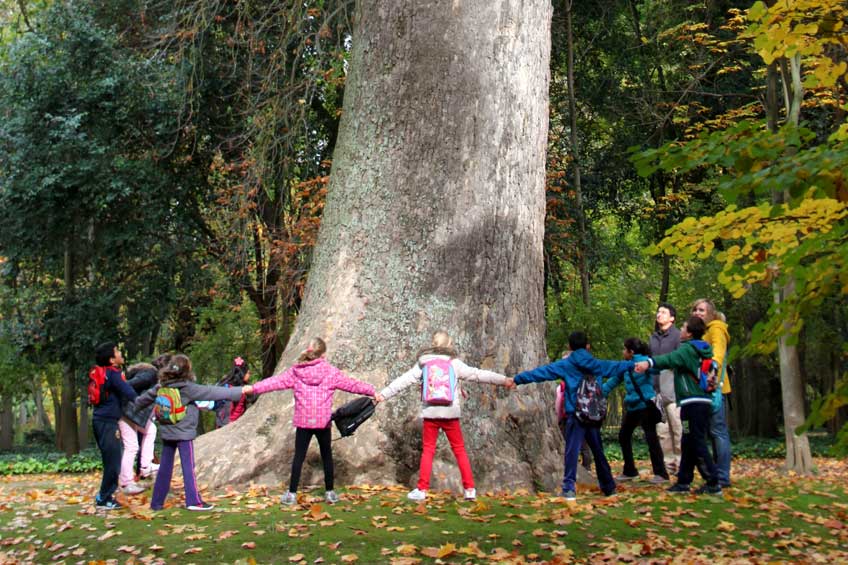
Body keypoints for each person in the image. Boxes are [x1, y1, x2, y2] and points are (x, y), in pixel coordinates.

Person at [375, 330, 514, 502]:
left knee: (428, 450)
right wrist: (504, 380)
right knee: (459, 450)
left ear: (432, 344)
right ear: (449, 345)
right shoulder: (454, 363)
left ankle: (422, 489)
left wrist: (383, 394)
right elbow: (478, 374)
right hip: (450, 412)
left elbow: (405, 380)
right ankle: (469, 489)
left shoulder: (424, 363)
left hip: (431, 412)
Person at [245, 337, 375, 505]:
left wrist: (254, 388)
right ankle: (330, 493)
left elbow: (274, 382)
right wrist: (372, 391)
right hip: (322, 422)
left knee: (299, 457)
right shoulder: (330, 372)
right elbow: (352, 384)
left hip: (304, 422)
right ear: (323, 355)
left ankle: (291, 494)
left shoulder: (296, 372)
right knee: (326, 456)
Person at [509, 331, 635, 502]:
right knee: (598, 450)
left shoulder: (566, 365)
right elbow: (615, 367)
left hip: (575, 413)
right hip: (593, 413)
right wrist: (641, 363)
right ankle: (609, 486)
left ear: (570, 347)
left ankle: (569, 488)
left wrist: (518, 379)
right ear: (587, 346)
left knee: (572, 451)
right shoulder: (596, 364)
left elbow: (542, 372)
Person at [131, 354, 245, 511]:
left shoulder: (161, 386)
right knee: (188, 467)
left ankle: (156, 503)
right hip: (184, 434)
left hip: (167, 432)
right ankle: (194, 501)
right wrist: (241, 391)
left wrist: (125, 411)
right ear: (186, 371)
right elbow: (213, 392)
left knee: (165, 468)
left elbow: (142, 400)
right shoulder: (188, 388)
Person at [635, 317, 722, 495]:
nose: (680, 330)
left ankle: (713, 482)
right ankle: (683, 481)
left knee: (696, 441)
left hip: (692, 402)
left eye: (683, 327)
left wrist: (648, 363)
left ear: (689, 332)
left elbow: (669, 359)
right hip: (702, 400)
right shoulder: (703, 349)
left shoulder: (687, 350)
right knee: (688, 441)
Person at [602, 338, 669, 484]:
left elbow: (657, 367)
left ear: (631, 352)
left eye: (624, 349)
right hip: (632, 406)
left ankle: (661, 473)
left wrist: (649, 364)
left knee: (651, 438)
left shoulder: (645, 362)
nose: (622, 352)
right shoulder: (625, 366)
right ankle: (630, 470)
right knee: (624, 435)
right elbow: (614, 380)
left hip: (645, 406)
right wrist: (601, 392)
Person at [91, 342, 138, 510]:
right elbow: (129, 393)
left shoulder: (104, 374)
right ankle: (104, 498)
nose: (120, 353)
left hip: (101, 421)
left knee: (111, 459)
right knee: (113, 461)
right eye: (117, 351)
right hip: (107, 423)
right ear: (112, 360)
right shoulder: (113, 374)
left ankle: (105, 496)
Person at [691, 298, 732, 488]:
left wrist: (713, 370)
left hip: (715, 388)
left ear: (711, 313)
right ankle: (715, 474)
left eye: (701, 310)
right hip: (703, 389)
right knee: (709, 433)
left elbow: (719, 352)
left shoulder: (716, 329)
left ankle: (722, 476)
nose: (698, 313)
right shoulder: (698, 334)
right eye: (695, 310)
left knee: (718, 432)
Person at [118, 357, 165, 495]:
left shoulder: (148, 372)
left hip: (131, 413)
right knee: (131, 446)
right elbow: (128, 385)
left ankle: (145, 466)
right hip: (128, 413)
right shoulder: (151, 373)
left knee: (151, 430)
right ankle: (126, 482)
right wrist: (135, 401)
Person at [650, 303, 683, 474]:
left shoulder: (678, 336)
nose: (659, 314)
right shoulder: (653, 338)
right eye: (658, 311)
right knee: (662, 430)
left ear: (672, 318)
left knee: (676, 427)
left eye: (663, 312)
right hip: (657, 390)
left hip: (674, 389)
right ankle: (668, 465)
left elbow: (680, 361)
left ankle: (681, 462)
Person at [214, 356, 255, 427]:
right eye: (248, 373)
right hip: (231, 423)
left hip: (220, 421)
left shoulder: (225, 384)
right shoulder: (240, 390)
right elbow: (238, 410)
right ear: (243, 373)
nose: (249, 375)